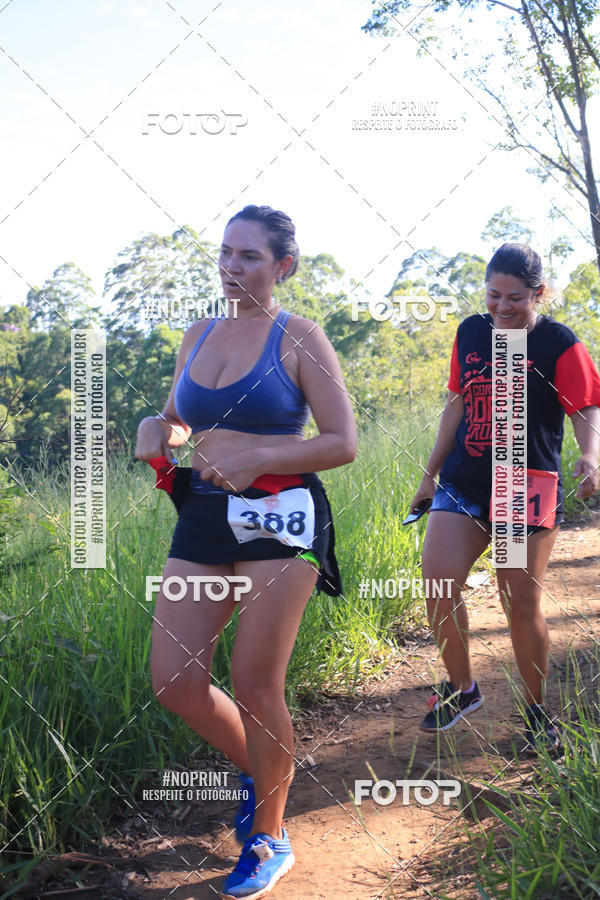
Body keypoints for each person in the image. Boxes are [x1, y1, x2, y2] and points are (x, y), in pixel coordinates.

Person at [135, 204, 356, 898]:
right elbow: (177, 420)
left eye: (250, 256)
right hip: (204, 516)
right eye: (226, 253)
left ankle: (270, 835)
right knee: (173, 679)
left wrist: (258, 452)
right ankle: (265, 770)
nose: (232, 266)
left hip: (281, 518)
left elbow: (342, 442)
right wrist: (154, 426)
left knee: (257, 683)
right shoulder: (198, 335)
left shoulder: (301, 337)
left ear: (283, 266)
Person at [409, 243, 600, 754]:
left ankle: (537, 713)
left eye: (515, 297)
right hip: (463, 481)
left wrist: (590, 456)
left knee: (518, 600)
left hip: (522, 486)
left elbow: (583, 406)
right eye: (493, 295)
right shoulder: (472, 331)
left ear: (538, 293)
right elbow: (455, 404)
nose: (502, 307)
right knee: (437, 582)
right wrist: (429, 476)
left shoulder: (557, 343)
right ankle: (463, 688)